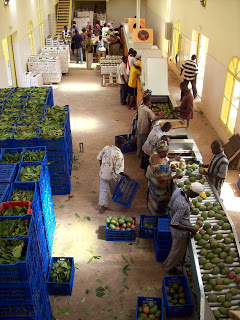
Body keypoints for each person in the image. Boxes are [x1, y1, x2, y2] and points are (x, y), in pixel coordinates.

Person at [163, 182, 206, 273]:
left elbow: (170, 205)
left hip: (176, 227)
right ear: (193, 192)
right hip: (180, 233)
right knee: (177, 252)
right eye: (197, 195)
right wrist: (190, 229)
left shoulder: (179, 191)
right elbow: (174, 223)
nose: (197, 197)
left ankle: (167, 263)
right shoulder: (183, 205)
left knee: (175, 249)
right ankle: (169, 268)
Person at [97, 136, 130, 214]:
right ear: (122, 144)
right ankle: (118, 199)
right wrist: (126, 175)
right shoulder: (119, 155)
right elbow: (119, 170)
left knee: (103, 190)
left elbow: (99, 157)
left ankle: (103, 206)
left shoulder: (106, 148)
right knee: (114, 188)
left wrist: (102, 166)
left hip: (103, 174)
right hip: (112, 177)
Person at [148, 140, 181, 215]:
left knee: (152, 199)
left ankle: (152, 212)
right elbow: (161, 179)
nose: (167, 153)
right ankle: (157, 215)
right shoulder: (160, 165)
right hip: (159, 189)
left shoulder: (154, 155)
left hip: (152, 184)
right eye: (166, 152)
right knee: (158, 203)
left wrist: (168, 168)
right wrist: (175, 176)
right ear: (162, 152)